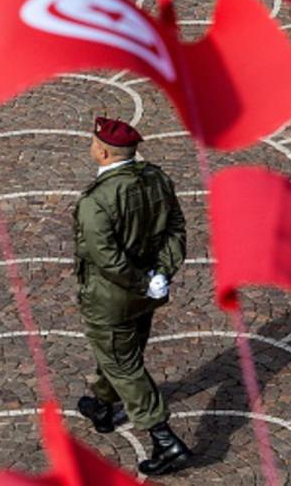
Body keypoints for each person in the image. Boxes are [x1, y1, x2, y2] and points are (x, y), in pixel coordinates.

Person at [73, 116, 191, 476]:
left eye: (93, 143)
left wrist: (143, 281)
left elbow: (106, 258)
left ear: (103, 152)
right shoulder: (156, 178)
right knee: (118, 351)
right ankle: (103, 406)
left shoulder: (96, 201)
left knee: (123, 363)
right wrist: (161, 274)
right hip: (148, 291)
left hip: (111, 297)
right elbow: (176, 229)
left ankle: (165, 439)